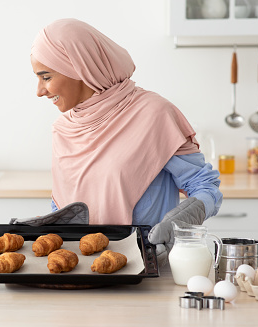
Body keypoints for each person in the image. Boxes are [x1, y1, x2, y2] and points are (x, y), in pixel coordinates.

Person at [30, 18, 222, 265]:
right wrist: (47, 225)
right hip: (81, 269)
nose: (39, 91)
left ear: (77, 68)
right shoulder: (63, 128)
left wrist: (184, 218)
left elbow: (205, 186)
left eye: (45, 77)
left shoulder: (154, 114)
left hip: (145, 267)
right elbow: (67, 206)